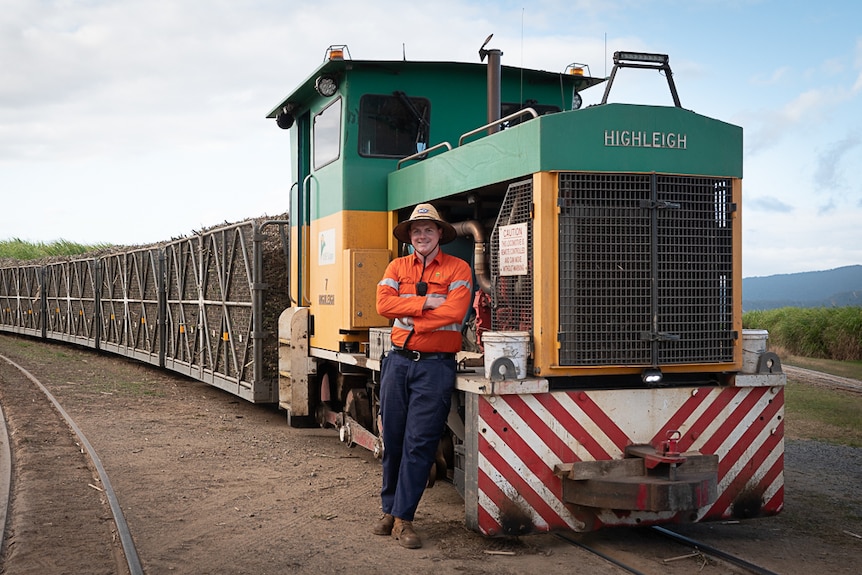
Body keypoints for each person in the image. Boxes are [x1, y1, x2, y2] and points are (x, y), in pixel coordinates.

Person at [374, 203, 473, 549]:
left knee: (420, 444)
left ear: (440, 234)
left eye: (428, 230)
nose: (422, 236)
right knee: (394, 442)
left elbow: (456, 310)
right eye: (417, 231)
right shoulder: (396, 266)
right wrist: (426, 305)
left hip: (435, 366)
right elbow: (383, 305)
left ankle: (404, 519)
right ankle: (389, 510)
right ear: (410, 236)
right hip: (398, 363)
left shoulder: (458, 268)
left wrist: (411, 318)